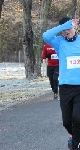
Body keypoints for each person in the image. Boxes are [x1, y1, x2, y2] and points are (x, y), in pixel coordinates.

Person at [42, 16, 80, 150]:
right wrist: (64, 26)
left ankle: (76, 144)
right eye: (64, 29)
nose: (66, 31)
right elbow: (45, 35)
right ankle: (74, 136)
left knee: (77, 117)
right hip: (65, 87)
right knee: (67, 121)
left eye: (69, 28)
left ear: (74, 26)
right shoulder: (59, 43)